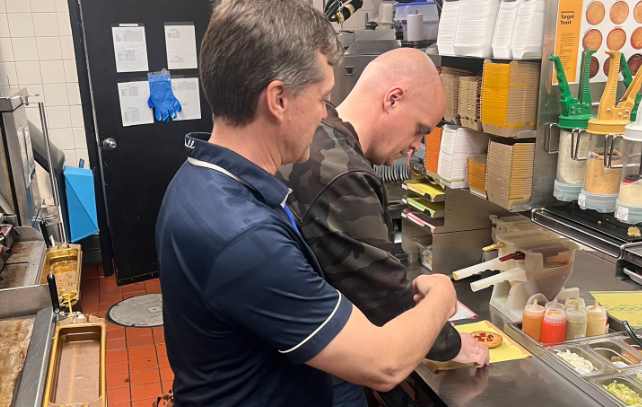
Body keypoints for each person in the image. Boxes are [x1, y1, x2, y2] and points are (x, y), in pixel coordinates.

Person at [157, 2, 468, 406]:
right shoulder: (245, 237)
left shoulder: (198, 178)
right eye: (322, 98)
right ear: (279, 99)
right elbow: (385, 364)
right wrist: (441, 299)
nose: (325, 114)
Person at [277, 48, 490, 406]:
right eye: (420, 130)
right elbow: (385, 301)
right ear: (393, 99)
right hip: (322, 378)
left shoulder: (322, 130)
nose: (415, 147)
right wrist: (451, 343)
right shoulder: (344, 173)